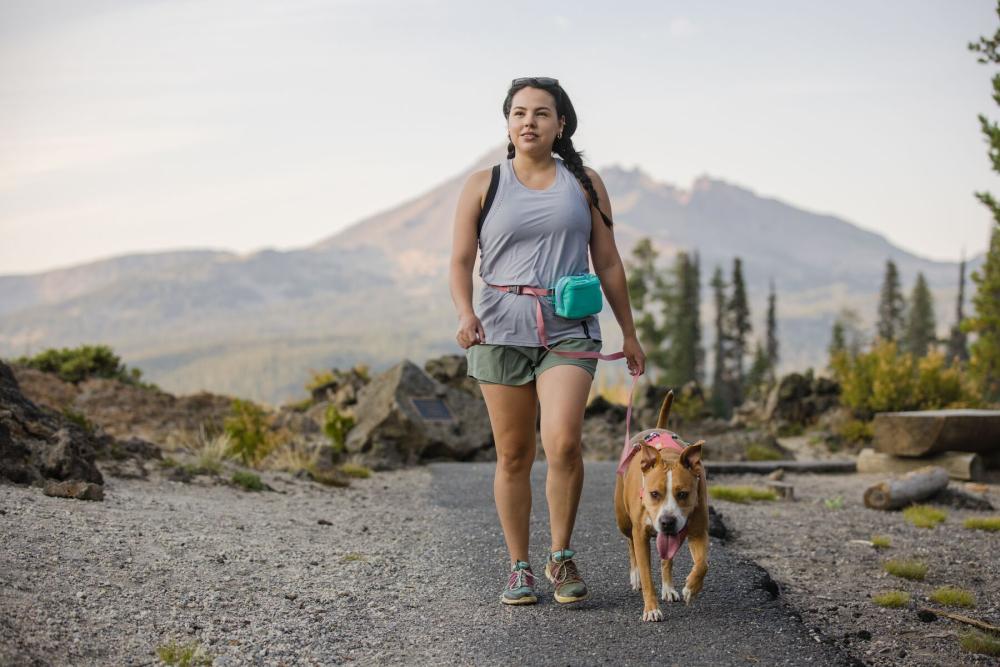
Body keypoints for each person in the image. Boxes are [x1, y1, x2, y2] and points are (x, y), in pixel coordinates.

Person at [449, 77, 645, 606]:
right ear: (508, 124)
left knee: (562, 442)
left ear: (561, 124)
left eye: (541, 113)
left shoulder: (584, 183)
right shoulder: (483, 184)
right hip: (498, 330)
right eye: (518, 113)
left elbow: (606, 260)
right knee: (514, 454)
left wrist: (628, 332)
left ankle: (560, 557)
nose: (529, 121)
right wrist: (465, 312)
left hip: (569, 330)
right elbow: (462, 261)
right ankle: (519, 566)